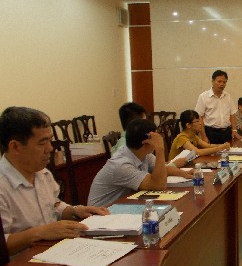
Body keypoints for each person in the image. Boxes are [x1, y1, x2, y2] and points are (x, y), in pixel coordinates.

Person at [0, 107, 109, 255]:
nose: (50, 148)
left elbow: (53, 206)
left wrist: (74, 211)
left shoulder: (42, 173)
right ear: (15, 147)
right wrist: (40, 232)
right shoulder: (3, 185)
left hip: (55, 252)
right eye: (42, 143)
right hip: (22, 264)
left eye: (50, 140)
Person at [87, 118, 192, 207]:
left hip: (123, 205)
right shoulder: (121, 165)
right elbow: (158, 185)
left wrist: (185, 173)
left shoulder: (142, 153)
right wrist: (160, 149)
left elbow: (163, 169)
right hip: (100, 214)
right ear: (146, 141)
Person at [195, 69, 240, 144]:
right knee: (213, 152)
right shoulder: (203, 97)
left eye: (224, 82)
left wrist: (234, 130)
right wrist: (204, 136)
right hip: (211, 133)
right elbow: (200, 117)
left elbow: (232, 114)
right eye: (219, 81)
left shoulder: (228, 96)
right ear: (212, 81)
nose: (222, 84)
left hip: (227, 133)